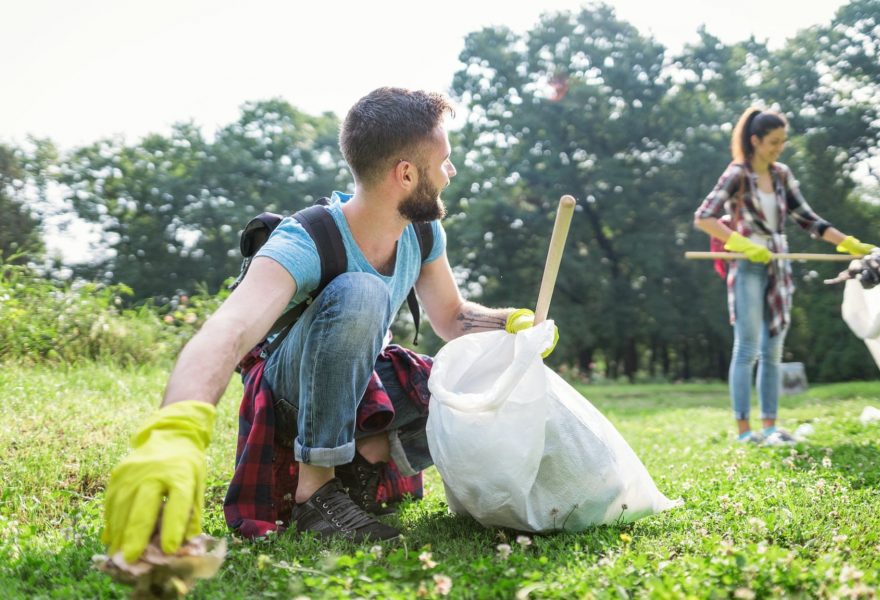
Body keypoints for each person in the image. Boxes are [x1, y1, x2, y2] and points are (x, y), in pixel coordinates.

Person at [102, 87, 558, 563]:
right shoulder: (307, 237)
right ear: (405, 174)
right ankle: (315, 494)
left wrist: (513, 323)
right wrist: (175, 429)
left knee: (456, 379)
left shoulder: (422, 231)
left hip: (358, 384)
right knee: (362, 292)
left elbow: (451, 317)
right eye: (444, 160)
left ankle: (362, 467)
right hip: (288, 390)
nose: (452, 171)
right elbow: (229, 330)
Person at [693, 107, 878, 444]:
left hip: (779, 265)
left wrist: (846, 243)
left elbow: (808, 219)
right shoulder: (737, 174)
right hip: (747, 265)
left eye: (783, 141)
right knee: (747, 349)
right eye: (774, 142)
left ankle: (769, 427)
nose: (780, 148)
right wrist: (741, 243)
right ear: (755, 141)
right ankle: (744, 431)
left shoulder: (782, 175)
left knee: (773, 351)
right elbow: (703, 217)